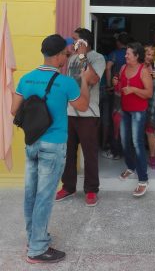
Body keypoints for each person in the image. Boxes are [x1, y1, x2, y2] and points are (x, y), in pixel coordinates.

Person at [11, 34, 91, 264]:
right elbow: (83, 106)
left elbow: (13, 110)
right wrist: (83, 80)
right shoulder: (65, 82)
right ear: (57, 56)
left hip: (32, 142)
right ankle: (37, 249)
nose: (67, 58)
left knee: (32, 193)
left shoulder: (26, 79)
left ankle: (33, 237)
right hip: (53, 145)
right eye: (66, 54)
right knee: (45, 196)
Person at [56, 28, 105, 207]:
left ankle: (91, 190)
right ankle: (68, 186)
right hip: (69, 112)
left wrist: (84, 56)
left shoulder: (97, 58)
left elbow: (92, 80)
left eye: (74, 40)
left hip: (89, 114)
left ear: (83, 42)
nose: (70, 42)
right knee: (67, 153)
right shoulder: (70, 59)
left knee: (89, 153)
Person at [114, 42, 153, 197]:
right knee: (124, 141)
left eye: (128, 54)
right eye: (126, 54)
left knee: (137, 143)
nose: (125, 56)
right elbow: (120, 85)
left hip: (138, 111)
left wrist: (134, 90)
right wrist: (116, 82)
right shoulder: (123, 68)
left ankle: (143, 180)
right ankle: (131, 167)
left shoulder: (143, 71)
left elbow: (149, 93)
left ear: (137, 56)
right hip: (125, 110)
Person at [104, 31, 130, 159]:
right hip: (129, 92)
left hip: (117, 92)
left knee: (115, 120)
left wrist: (109, 85)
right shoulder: (130, 54)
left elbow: (108, 68)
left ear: (118, 42)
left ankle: (115, 150)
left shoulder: (114, 54)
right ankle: (125, 150)